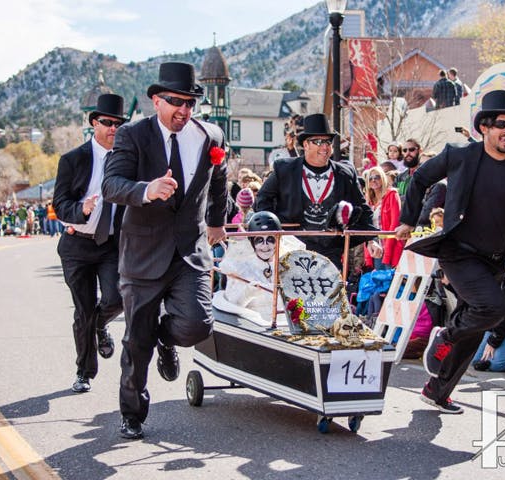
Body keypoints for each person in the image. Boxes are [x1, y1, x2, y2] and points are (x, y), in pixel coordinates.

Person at [395, 90, 505, 414]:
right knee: (493, 308)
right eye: (501, 124)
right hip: (459, 252)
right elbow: (420, 178)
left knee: (477, 325)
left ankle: (437, 390)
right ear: (484, 127)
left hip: (494, 260)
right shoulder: (459, 155)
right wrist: (408, 220)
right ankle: (446, 335)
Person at [102, 62, 228, 439]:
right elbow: (111, 184)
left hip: (189, 251)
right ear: (156, 100)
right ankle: (132, 414)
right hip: (142, 253)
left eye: (190, 103)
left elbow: (219, 180)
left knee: (197, 324)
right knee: (136, 342)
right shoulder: (132, 135)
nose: (184, 110)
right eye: (176, 101)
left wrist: (217, 221)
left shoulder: (210, 135)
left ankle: (165, 337)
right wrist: (146, 190)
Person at [52, 93, 127, 394]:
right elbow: (59, 204)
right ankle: (84, 372)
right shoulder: (73, 159)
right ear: (94, 123)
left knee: (116, 299)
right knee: (83, 310)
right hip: (77, 245)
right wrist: (80, 210)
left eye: (118, 124)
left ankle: (100, 325)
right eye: (107, 123)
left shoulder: (126, 159)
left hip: (109, 245)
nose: (113, 129)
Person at [254, 113, 380, 269]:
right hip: (292, 248)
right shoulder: (285, 169)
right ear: (306, 145)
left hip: (331, 250)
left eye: (328, 142)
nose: (325, 147)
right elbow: (262, 199)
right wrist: (274, 229)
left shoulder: (345, 173)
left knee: (333, 284)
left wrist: (372, 239)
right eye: (318, 142)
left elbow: (363, 208)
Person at [363, 166, 404, 269]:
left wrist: (388, 248)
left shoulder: (392, 194)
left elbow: (395, 222)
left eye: (377, 177)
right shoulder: (368, 200)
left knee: (389, 274)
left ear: (383, 178)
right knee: (379, 276)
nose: (373, 180)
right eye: (370, 178)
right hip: (375, 242)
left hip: (390, 242)